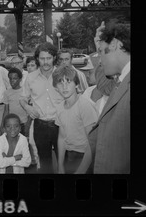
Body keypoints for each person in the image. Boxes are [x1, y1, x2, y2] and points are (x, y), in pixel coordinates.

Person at [88, 21, 130, 174]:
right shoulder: (122, 79)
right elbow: (105, 87)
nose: (100, 60)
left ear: (115, 45)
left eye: (103, 52)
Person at [20, 42, 64, 174]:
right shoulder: (30, 78)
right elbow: (22, 98)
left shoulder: (62, 75)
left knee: (65, 161)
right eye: (42, 58)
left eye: (49, 58)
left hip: (61, 125)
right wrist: (27, 107)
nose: (46, 62)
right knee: (45, 163)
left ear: (54, 58)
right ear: (37, 59)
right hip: (40, 126)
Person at [52, 65, 98, 174]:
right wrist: (60, 165)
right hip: (70, 154)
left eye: (68, 82)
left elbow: (93, 143)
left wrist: (81, 170)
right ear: (55, 87)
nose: (64, 87)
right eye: (60, 83)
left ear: (76, 84)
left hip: (86, 155)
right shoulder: (59, 108)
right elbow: (62, 137)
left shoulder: (84, 105)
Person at [24, 56, 40, 168]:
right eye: (28, 65)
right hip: (30, 113)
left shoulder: (40, 78)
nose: (30, 68)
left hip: (41, 114)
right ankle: (35, 161)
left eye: (32, 65)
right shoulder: (26, 78)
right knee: (31, 139)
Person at [1, 68, 27, 135]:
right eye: (10, 78)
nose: (12, 81)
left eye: (15, 78)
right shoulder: (7, 93)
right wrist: (3, 125)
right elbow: (6, 111)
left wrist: (28, 124)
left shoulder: (26, 92)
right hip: (12, 124)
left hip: (24, 123)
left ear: (20, 79)